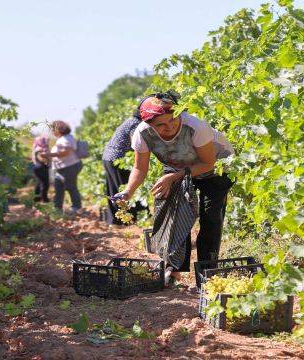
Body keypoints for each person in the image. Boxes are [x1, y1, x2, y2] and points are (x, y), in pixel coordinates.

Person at [112, 92, 234, 285]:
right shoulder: (142, 134)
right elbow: (139, 168)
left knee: (210, 217)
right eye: (161, 124)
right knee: (174, 214)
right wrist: (128, 191)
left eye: (172, 120)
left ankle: (207, 274)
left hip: (216, 167)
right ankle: (175, 269)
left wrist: (175, 176)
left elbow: (208, 163)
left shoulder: (195, 127)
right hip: (178, 166)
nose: (169, 127)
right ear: (150, 125)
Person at [101, 114, 144, 225]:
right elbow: (137, 144)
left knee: (114, 189)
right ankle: (128, 220)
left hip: (108, 157)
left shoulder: (130, 121)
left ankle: (115, 221)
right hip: (118, 158)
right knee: (125, 187)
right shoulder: (136, 124)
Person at [46, 120, 83, 213]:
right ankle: (57, 208)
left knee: (71, 186)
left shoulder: (66, 138)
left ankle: (76, 207)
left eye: (53, 129)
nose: (52, 132)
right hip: (63, 168)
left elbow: (66, 152)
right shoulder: (63, 139)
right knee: (58, 187)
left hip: (70, 166)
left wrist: (49, 154)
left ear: (58, 129)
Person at [31, 135, 50, 203]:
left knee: (39, 183)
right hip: (41, 168)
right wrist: (48, 158)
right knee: (45, 184)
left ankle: (37, 198)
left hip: (38, 167)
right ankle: (44, 199)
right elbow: (42, 159)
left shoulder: (37, 148)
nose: (47, 142)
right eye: (45, 140)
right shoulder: (40, 149)